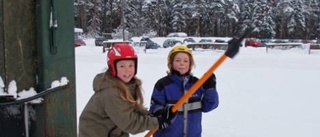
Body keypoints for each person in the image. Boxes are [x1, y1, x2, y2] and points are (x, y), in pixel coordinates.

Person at [79, 43, 177, 137]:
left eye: (131, 65)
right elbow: (130, 123)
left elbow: (130, 111)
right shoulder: (111, 92)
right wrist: (158, 122)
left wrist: (153, 115)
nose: (127, 70)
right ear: (113, 67)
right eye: (122, 66)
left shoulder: (125, 86)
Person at [149, 45, 219, 137]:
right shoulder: (163, 84)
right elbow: (155, 107)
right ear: (171, 63)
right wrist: (162, 113)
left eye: (186, 61)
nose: (182, 63)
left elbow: (209, 106)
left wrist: (210, 89)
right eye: (177, 60)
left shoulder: (197, 84)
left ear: (190, 64)